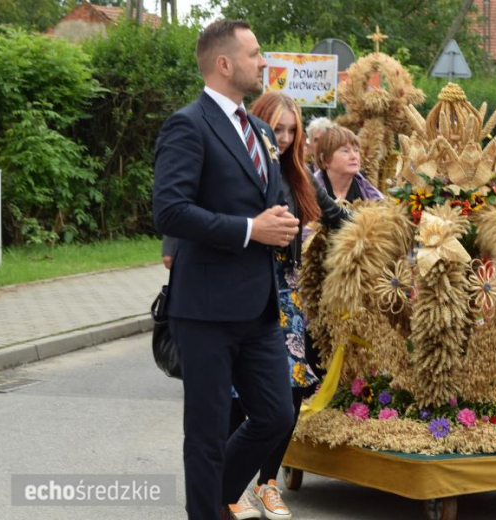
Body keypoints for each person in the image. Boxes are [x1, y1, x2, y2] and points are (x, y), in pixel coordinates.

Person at [152, 20, 300, 520]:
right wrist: (250, 229)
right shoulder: (187, 125)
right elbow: (170, 212)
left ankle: (214, 501)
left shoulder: (260, 130)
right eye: (255, 54)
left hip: (258, 306)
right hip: (205, 308)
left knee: (276, 416)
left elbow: (267, 199)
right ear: (224, 63)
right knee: (208, 433)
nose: (263, 62)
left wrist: (283, 223)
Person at [217, 92, 347, 520]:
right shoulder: (238, 170)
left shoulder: (298, 176)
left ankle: (268, 482)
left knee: (290, 394)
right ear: (258, 125)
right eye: (278, 129)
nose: (286, 138)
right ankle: (229, 488)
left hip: (288, 295)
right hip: (245, 288)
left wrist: (384, 230)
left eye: (292, 130)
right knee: (239, 395)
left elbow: (336, 218)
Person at [314, 126, 383, 201]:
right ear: (325, 159)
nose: (354, 156)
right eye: (345, 151)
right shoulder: (310, 192)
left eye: (356, 150)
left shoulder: (371, 195)